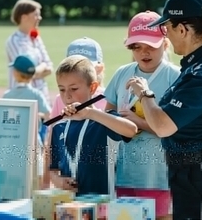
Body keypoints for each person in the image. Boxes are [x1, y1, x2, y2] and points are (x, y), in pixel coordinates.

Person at [126, 0, 202, 219]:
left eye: (166, 27)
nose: (166, 34)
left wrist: (145, 94)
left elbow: (163, 126)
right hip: (197, 177)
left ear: (183, 29)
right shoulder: (200, 64)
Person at [105, 10, 181, 220]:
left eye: (151, 47)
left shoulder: (174, 76)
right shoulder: (122, 73)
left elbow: (175, 128)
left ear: (165, 44)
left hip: (160, 174)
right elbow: (108, 111)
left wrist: (138, 122)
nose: (143, 53)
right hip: (125, 173)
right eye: (137, 47)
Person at [49, 55, 137, 197]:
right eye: (62, 89)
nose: (67, 96)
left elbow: (131, 130)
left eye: (74, 88)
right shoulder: (59, 126)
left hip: (102, 208)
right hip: (69, 208)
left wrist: (89, 113)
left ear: (93, 87)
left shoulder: (103, 121)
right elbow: (53, 169)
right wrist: (58, 181)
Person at [2, 55, 51, 188]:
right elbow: (49, 116)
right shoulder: (37, 94)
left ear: (16, 73)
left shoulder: (7, 95)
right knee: (36, 178)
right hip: (34, 141)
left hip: (12, 142)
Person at [5, 0, 53, 105]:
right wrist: (42, 66)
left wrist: (35, 70)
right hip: (22, 99)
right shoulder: (14, 41)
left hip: (41, 96)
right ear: (24, 17)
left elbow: (50, 67)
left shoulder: (36, 38)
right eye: (36, 15)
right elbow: (24, 71)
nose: (39, 18)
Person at [51, 37, 107, 117]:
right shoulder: (60, 99)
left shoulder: (109, 99)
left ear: (99, 68)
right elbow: (52, 128)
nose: (67, 96)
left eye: (86, 66)